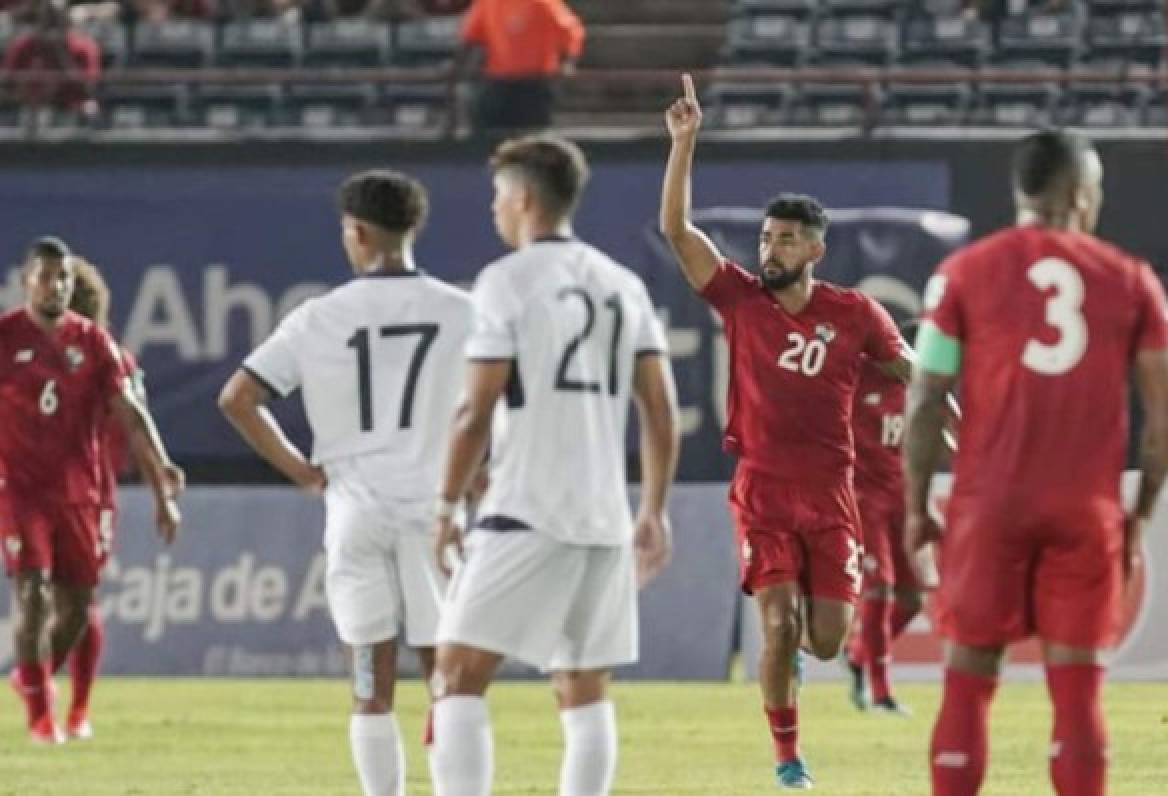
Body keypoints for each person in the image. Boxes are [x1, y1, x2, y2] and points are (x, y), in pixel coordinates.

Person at [904, 129, 1168, 796]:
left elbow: (925, 397)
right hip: (1083, 510)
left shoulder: (963, 274)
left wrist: (918, 508)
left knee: (967, 686)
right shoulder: (1129, 279)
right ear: (1083, 196)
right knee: (1078, 692)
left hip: (987, 506)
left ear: (1021, 195)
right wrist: (1140, 514)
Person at [660, 74, 911, 790]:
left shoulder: (856, 313)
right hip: (763, 488)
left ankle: (798, 656)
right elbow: (678, 232)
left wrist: (953, 400)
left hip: (833, 494)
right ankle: (788, 758)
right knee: (776, 628)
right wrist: (684, 143)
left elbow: (904, 368)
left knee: (826, 642)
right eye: (768, 238)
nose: (771, 249)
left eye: (787, 240)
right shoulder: (739, 299)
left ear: (815, 252)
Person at [428, 133, 679, 796]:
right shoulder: (622, 283)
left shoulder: (505, 281)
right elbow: (659, 408)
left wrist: (446, 505)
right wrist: (653, 508)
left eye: (497, 198)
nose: (493, 211)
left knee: (455, 674)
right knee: (584, 687)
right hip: (604, 518)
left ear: (524, 198)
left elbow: (473, 412)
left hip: (524, 509)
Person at [218, 170, 471, 796]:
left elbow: (239, 397)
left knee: (370, 682)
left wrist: (302, 470)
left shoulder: (318, 317)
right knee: (450, 676)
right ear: (413, 228)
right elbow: (498, 406)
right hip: (434, 510)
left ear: (356, 233)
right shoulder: (463, 311)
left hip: (355, 513)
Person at [1, 237, 183, 744]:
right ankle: (42, 713)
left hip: (82, 493)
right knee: (32, 592)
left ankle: (44, 686)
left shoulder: (97, 346)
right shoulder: (5, 336)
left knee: (79, 605)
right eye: (46, 276)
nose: (56, 285)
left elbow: (130, 411)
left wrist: (163, 474)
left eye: (63, 278)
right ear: (26, 281)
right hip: (19, 490)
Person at [55, 256, 151, 740]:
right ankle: (72, 707)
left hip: (72, 492)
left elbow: (130, 426)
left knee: (70, 596)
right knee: (72, 597)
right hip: (72, 493)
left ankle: (68, 704)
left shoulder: (108, 359)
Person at [842, 323, 933, 717]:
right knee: (878, 590)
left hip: (903, 498)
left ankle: (859, 655)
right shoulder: (857, 374)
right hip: (865, 499)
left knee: (914, 597)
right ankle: (880, 694)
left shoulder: (921, 387)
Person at [458, 0, 584, 134]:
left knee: (531, 137)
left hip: (534, 82)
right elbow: (470, 38)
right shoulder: (487, 4)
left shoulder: (545, 3)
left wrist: (568, 63)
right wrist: (459, 68)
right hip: (498, 81)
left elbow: (571, 32)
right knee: (485, 129)